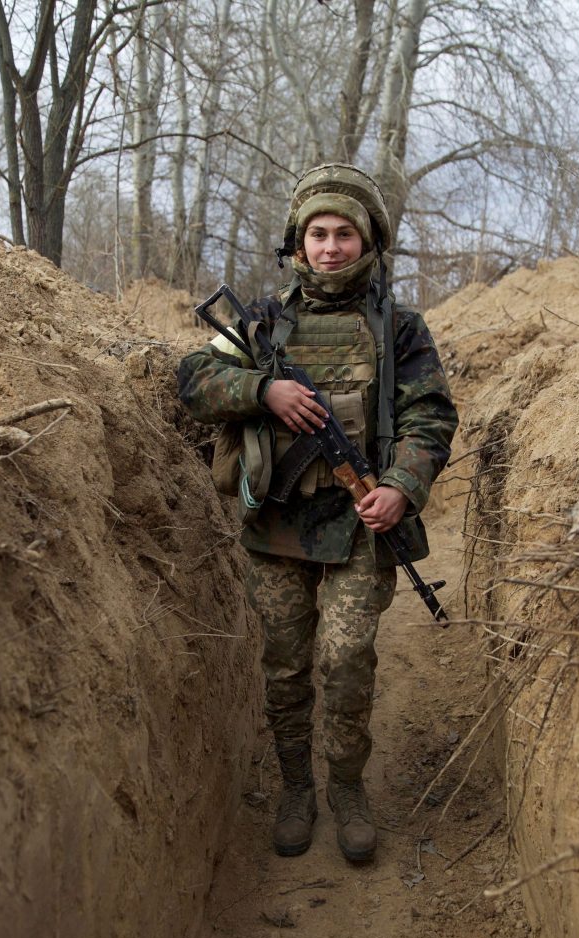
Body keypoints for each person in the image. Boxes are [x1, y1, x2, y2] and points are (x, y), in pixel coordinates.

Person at [176, 163, 458, 863]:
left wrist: (401, 486)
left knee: (346, 658)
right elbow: (194, 380)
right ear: (298, 242)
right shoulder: (261, 321)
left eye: (344, 234)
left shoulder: (399, 327)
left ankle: (347, 789)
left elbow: (430, 418)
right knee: (284, 665)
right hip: (277, 528)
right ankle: (297, 788)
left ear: (368, 242)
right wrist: (261, 391)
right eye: (318, 234)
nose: (331, 248)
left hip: (360, 526)